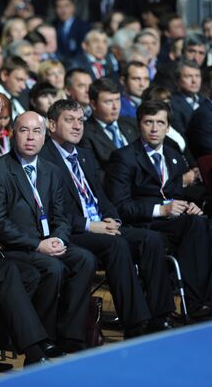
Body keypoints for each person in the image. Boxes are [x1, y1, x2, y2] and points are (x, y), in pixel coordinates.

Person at [41, 99, 176, 337]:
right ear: (51, 125)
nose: (77, 126)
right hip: (72, 231)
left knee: (151, 239)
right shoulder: (44, 159)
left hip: (102, 224)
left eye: (80, 120)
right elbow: (51, 210)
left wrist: (113, 219)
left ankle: (160, 315)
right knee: (116, 245)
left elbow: (100, 196)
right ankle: (135, 323)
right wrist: (91, 225)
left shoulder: (84, 155)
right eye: (69, 120)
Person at [0, 110, 96, 353]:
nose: (30, 137)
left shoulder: (52, 170)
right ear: (13, 135)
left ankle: (70, 336)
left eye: (36, 131)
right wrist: (37, 244)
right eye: (24, 130)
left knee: (85, 259)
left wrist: (59, 239)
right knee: (52, 268)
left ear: (44, 137)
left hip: (47, 242)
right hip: (14, 248)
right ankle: (43, 338)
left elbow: (61, 215)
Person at [105, 100, 212, 319]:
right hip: (143, 223)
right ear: (139, 124)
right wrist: (160, 210)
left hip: (174, 223)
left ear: (167, 127)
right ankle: (192, 303)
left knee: (203, 222)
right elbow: (120, 206)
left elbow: (176, 194)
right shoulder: (123, 157)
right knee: (196, 227)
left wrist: (188, 205)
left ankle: (201, 301)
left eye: (160, 123)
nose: (154, 129)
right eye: (149, 122)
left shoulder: (173, 155)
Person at [80, 78, 139, 171]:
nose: (115, 107)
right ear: (93, 104)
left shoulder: (132, 124)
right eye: (108, 102)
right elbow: (95, 173)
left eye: (117, 100)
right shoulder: (85, 134)